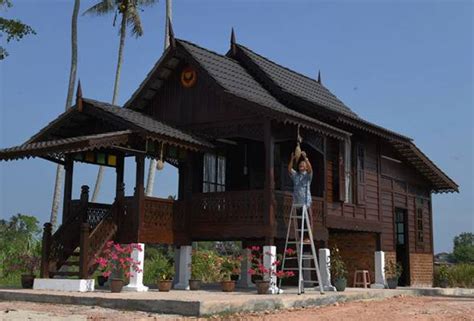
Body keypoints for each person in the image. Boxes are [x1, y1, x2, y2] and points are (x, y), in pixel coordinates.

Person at [288, 151, 313, 243]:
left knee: (306, 221)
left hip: (306, 202)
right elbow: (289, 169)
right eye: (300, 164)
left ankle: (308, 237)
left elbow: (310, 169)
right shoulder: (296, 176)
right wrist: (292, 159)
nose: (301, 165)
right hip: (297, 202)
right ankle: (301, 237)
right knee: (299, 221)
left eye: (303, 165)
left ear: (305, 167)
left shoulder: (307, 175)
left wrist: (305, 158)